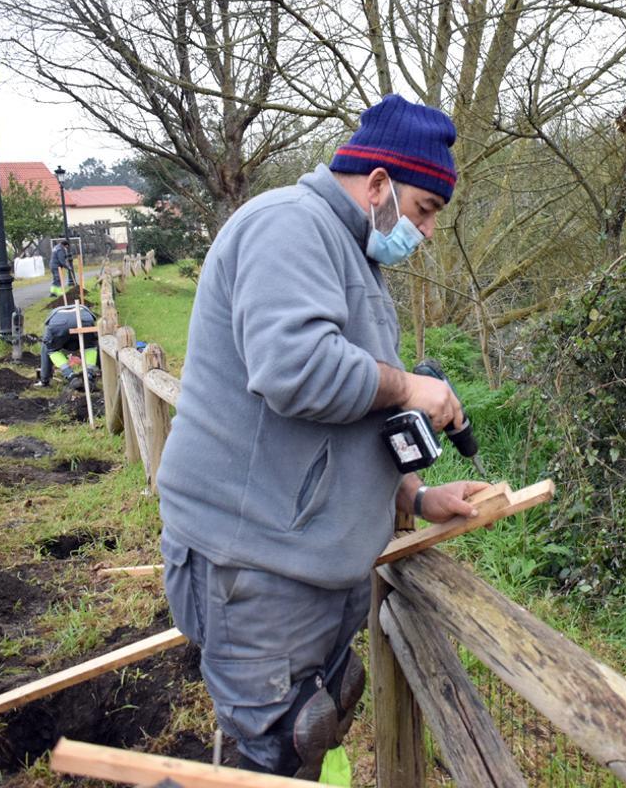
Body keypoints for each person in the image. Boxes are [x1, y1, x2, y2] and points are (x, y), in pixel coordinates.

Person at [155, 94, 488, 778]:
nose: (425, 233)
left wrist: (417, 497)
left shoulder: (352, 257)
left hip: (304, 558)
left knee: (323, 714)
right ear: (378, 184)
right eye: (424, 211)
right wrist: (410, 387)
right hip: (255, 563)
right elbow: (296, 369)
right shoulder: (288, 228)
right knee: (280, 747)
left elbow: (355, 414)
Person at [36, 302, 99, 390]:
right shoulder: (84, 309)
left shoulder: (53, 317)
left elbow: (45, 352)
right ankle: (89, 375)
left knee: (52, 350)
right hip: (84, 318)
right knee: (90, 347)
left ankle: (70, 375)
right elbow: (97, 344)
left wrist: (44, 379)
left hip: (58, 323)